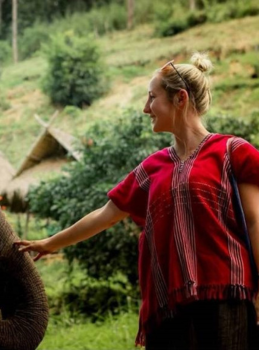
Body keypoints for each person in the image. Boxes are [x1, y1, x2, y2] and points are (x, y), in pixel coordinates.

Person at [15, 52, 259, 349]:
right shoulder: (152, 167)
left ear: (180, 98)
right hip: (168, 307)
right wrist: (49, 243)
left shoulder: (233, 151)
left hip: (226, 298)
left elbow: (255, 221)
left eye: (152, 97)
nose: (146, 108)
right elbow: (104, 216)